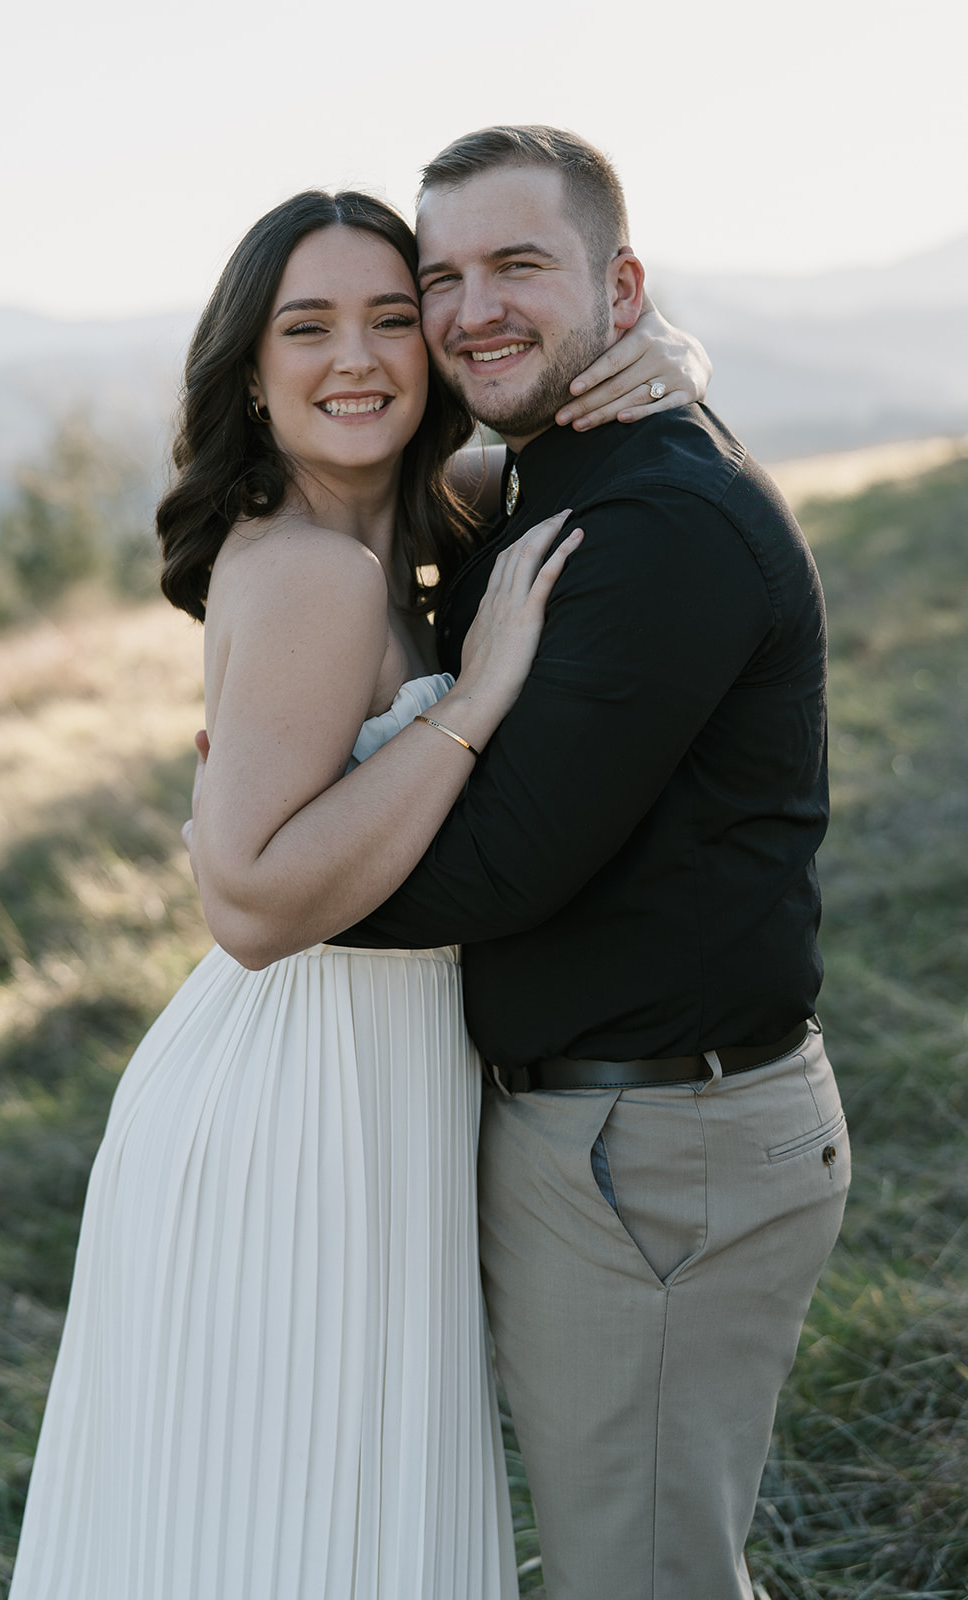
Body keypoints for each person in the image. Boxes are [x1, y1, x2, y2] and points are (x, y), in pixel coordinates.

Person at [7, 188, 707, 1600]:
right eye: (306, 325)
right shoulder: (316, 573)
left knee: (302, 1512)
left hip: (373, 1082)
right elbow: (252, 909)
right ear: (249, 372)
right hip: (294, 1102)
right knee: (290, 1521)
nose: (359, 357)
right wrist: (476, 703)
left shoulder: (410, 524)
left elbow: (559, 429)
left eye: (394, 318)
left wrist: (670, 358)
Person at [319, 127, 852, 1600]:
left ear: (619, 286)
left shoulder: (652, 519)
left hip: (659, 1153)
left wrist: (263, 888)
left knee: (644, 1577)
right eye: (442, 276)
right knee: (613, 1551)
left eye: (518, 266)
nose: (472, 306)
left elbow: (499, 869)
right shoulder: (555, 476)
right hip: (602, 1135)